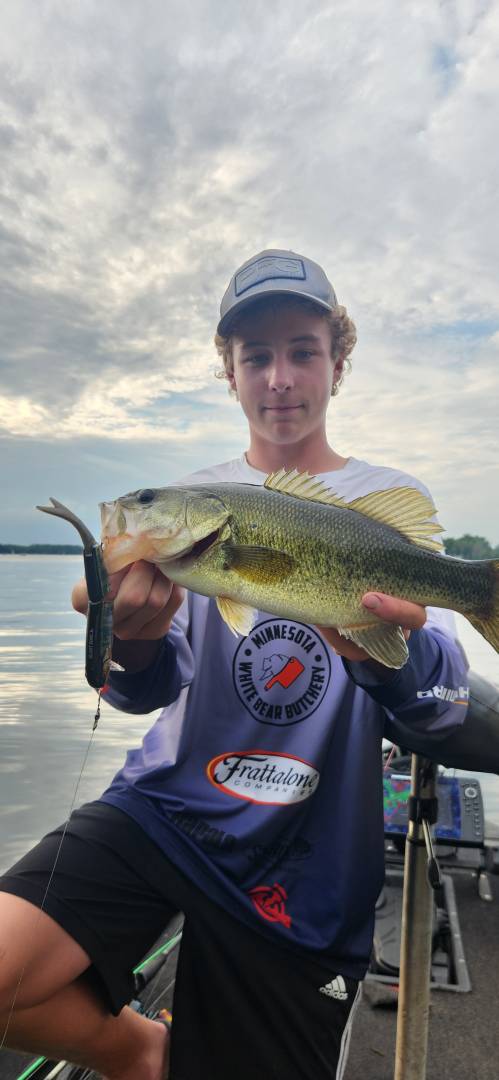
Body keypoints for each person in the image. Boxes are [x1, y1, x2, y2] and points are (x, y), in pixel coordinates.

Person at [0, 250, 471, 1080]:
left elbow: (436, 700)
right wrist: (133, 637)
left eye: (302, 350)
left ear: (338, 360)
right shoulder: (195, 508)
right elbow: (149, 686)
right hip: (166, 808)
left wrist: (386, 656)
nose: (279, 377)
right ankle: (139, 1054)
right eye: (255, 355)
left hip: (309, 858)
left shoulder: (383, 501)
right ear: (228, 370)